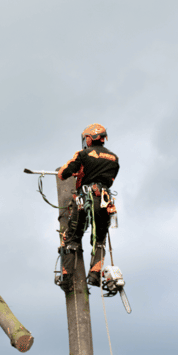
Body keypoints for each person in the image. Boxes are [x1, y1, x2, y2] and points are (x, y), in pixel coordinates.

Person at [58, 123, 120, 288]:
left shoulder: (83, 154)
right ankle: (94, 274)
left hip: (83, 198)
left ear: (89, 138)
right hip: (104, 200)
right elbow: (109, 180)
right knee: (99, 239)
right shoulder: (114, 158)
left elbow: (62, 174)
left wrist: (78, 172)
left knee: (71, 237)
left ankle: (66, 278)